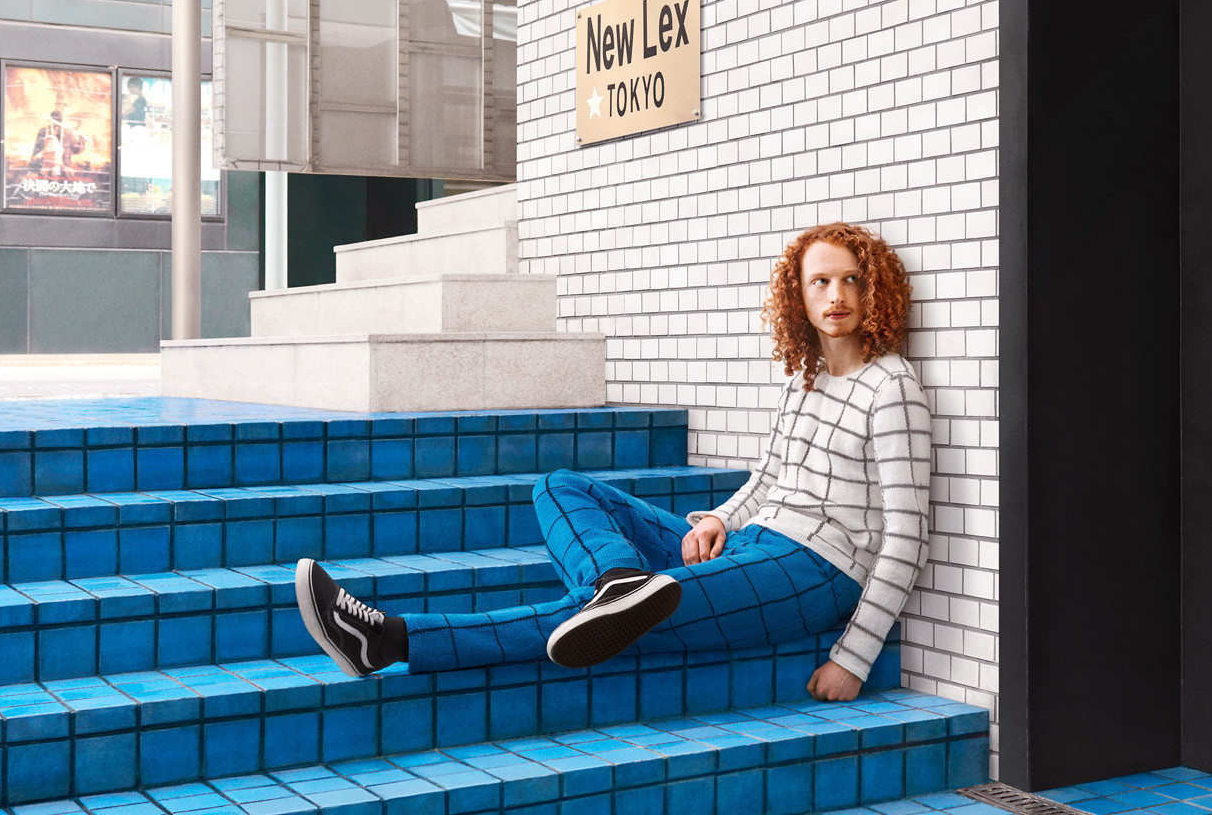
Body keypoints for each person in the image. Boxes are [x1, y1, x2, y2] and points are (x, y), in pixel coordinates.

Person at [294, 222, 934, 702]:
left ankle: (392, 641)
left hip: (816, 572)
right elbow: (767, 481)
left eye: (852, 278)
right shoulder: (804, 380)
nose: (837, 293)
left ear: (874, 290)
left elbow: (906, 536)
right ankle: (619, 584)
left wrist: (855, 656)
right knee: (560, 484)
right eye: (820, 280)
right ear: (799, 296)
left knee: (600, 616)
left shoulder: (892, 387)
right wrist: (717, 518)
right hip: (752, 546)